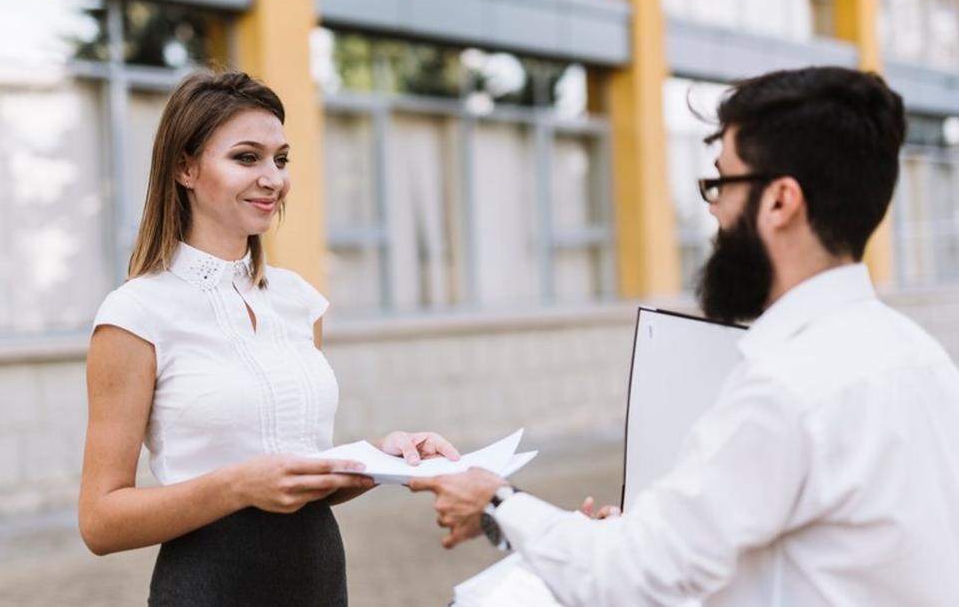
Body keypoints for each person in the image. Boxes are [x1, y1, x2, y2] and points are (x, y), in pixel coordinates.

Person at [411, 66, 959, 606]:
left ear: (779, 201)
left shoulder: (786, 388)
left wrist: (495, 500)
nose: (714, 210)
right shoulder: (923, 359)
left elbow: (639, 578)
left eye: (721, 182)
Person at [78, 69, 458, 606]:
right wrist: (236, 487)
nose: (273, 178)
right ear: (185, 168)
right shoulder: (135, 314)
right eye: (246, 157)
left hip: (318, 579)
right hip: (211, 587)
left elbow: (301, 478)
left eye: (280, 159)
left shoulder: (298, 302)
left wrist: (379, 459)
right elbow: (100, 520)